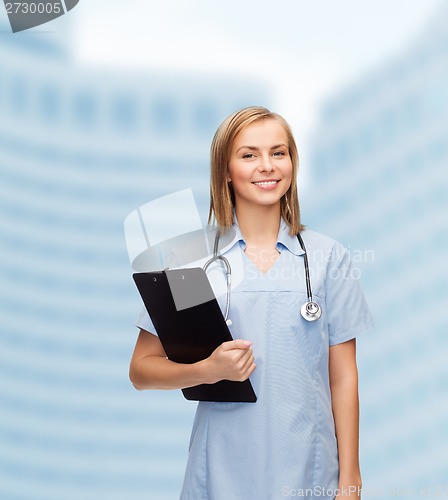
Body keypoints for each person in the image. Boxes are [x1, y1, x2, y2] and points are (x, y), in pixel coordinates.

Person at [129, 106, 375, 499]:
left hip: (309, 469)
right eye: (249, 155)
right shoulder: (195, 259)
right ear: (225, 170)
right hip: (221, 467)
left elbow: (344, 376)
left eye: (279, 153)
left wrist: (350, 478)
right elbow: (142, 370)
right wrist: (207, 369)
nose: (268, 166)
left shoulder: (326, 258)